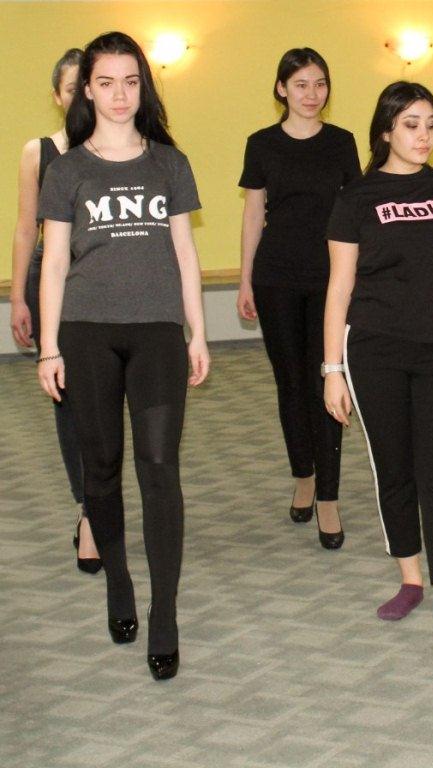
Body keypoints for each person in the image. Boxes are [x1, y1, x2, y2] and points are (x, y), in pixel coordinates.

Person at [37, 31, 210, 681]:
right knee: (102, 468)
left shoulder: (169, 163)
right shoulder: (67, 169)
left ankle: (164, 614)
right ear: (87, 89)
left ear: (144, 87)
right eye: (106, 82)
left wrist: (198, 332)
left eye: (131, 82)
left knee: (160, 468)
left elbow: (186, 254)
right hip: (86, 333)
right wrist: (48, 347)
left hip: (157, 333)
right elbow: (55, 263)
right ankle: (118, 581)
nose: (119, 94)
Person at [323, 81, 433, 663]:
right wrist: (331, 368)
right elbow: (339, 288)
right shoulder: (357, 197)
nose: (424, 136)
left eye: (431, 125)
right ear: (386, 130)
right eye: (411, 125)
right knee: (395, 470)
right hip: (376, 349)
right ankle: (410, 578)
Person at [238, 48, 360, 548]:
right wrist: (245, 279)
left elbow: (355, 212)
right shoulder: (261, 144)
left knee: (327, 381)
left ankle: (329, 495)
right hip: (276, 278)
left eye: (320, 84)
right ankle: (304, 475)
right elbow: (253, 214)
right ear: (281, 89)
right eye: (302, 84)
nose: (312, 94)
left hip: (332, 279)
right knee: (290, 384)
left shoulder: (342, 142)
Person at [9, 48, 97, 573]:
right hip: (52, 280)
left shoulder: (120, 148)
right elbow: (26, 227)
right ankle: (88, 509)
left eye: (88, 87)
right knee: (68, 398)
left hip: (105, 279)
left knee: (107, 397)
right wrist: (18, 295)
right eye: (71, 90)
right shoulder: (38, 152)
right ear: (58, 96)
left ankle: (104, 499)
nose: (81, 97)